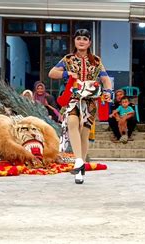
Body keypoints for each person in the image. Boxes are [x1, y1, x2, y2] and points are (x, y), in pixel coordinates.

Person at [48, 29, 112, 184]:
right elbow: (52, 73)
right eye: (78, 38)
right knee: (72, 122)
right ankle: (78, 161)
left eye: (85, 39)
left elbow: (105, 78)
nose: (81, 41)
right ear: (74, 41)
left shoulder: (96, 61)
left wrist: (109, 91)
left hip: (90, 101)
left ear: (89, 42)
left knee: (84, 133)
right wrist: (66, 74)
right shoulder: (68, 59)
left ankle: (80, 170)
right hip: (73, 99)